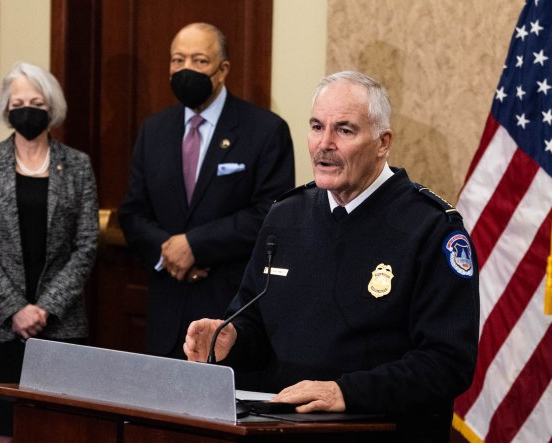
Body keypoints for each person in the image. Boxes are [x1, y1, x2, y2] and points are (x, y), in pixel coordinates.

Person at [184, 71, 479, 442]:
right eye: (316, 126)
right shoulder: (284, 216)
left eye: (344, 130)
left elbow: (447, 362)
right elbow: (257, 323)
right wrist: (231, 340)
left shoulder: (432, 228)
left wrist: (345, 392)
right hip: (283, 431)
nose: (324, 144)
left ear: (383, 142)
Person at [118, 23, 295, 361]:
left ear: (222, 69)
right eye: (177, 60)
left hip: (230, 317)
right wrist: (170, 253)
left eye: (199, 61)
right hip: (165, 318)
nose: (186, 70)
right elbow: (132, 213)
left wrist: (196, 247)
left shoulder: (265, 130)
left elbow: (271, 215)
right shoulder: (153, 130)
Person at [0, 61, 99, 442]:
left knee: (55, 428)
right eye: (17, 102)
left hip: (60, 322)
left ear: (51, 108)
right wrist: (15, 310)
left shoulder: (77, 165)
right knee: (3, 430)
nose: (27, 110)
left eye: (36, 102)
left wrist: (44, 309)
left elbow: (86, 245)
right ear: (6, 109)